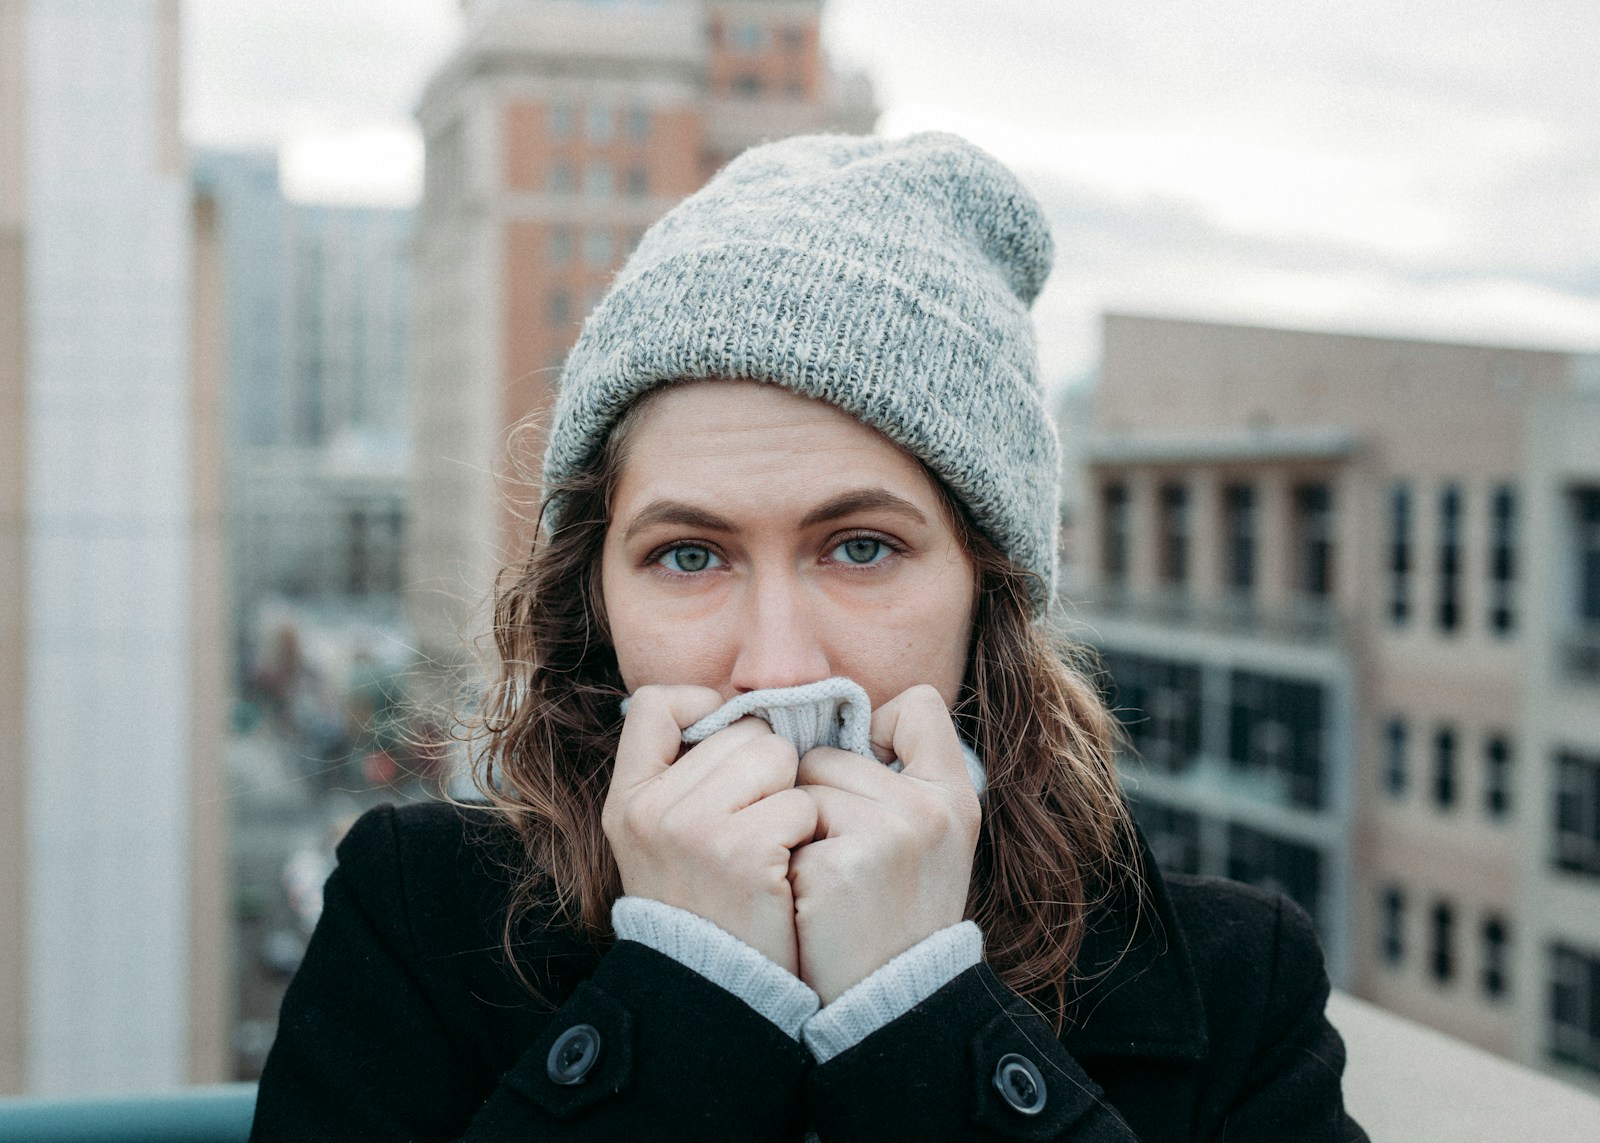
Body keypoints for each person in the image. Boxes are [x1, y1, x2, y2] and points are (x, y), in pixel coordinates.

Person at [251, 133, 1367, 1142]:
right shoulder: (416, 917)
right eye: (690, 556)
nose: (778, 667)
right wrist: (686, 994)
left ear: (989, 592)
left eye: (861, 548)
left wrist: (921, 1014)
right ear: (593, 598)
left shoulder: (1237, 983)